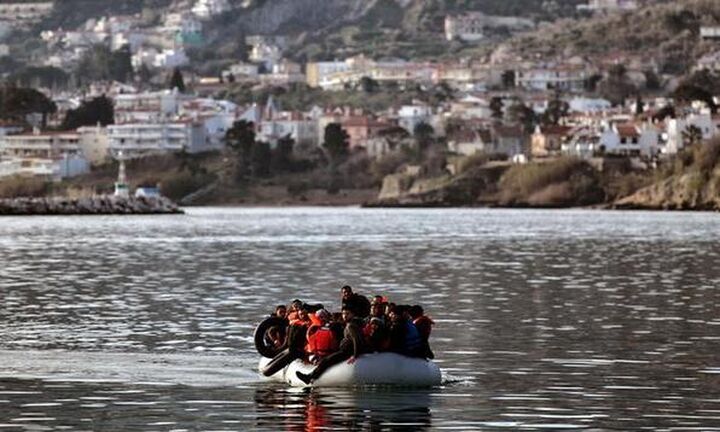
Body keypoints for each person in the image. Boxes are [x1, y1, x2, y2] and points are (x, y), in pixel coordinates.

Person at [296, 305, 367, 384]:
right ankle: (310, 376)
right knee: (326, 360)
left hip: (346, 352)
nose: (345, 316)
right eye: (343, 314)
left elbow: (356, 340)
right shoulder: (351, 324)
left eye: (347, 314)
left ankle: (309, 377)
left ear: (353, 314)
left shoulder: (351, 325)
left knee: (326, 361)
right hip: (345, 350)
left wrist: (355, 355)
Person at [262, 304, 311, 376]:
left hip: (298, 349)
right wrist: (275, 340)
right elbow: (271, 331)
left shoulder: (308, 324)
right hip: (285, 349)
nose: (282, 314)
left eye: (284, 312)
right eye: (280, 312)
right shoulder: (283, 323)